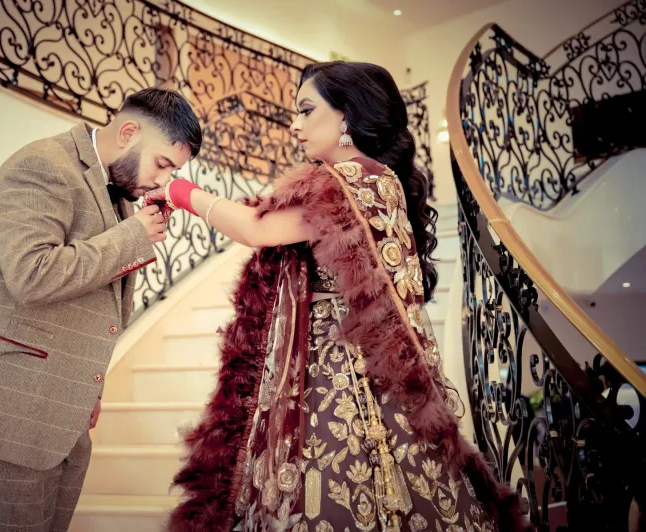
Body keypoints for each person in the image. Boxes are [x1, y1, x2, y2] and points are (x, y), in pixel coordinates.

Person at [154, 63, 530, 531]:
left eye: (307, 110)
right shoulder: (381, 180)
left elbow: (256, 229)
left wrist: (179, 189)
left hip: (338, 376)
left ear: (347, 116)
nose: (294, 124)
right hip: (377, 369)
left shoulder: (343, 183)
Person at [0, 88, 201, 531]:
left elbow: (96, 303)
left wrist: (89, 388)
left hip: (63, 408)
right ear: (128, 132)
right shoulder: (41, 165)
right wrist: (132, 237)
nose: (164, 182)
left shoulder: (120, 191)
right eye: (163, 164)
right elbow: (31, 274)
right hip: (10, 401)